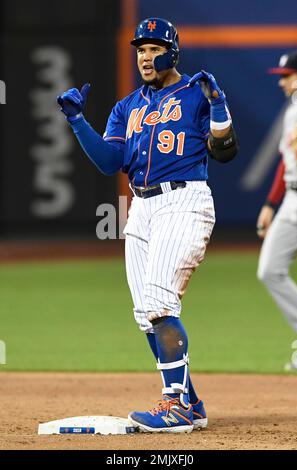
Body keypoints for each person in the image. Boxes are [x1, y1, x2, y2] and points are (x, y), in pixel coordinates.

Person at [57, 17, 238, 433]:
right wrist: (78, 121)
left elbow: (225, 152)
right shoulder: (127, 107)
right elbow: (109, 162)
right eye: (140, 49)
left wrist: (219, 106)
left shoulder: (195, 93)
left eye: (154, 48)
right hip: (140, 208)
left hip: (183, 200)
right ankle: (189, 402)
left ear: (173, 51)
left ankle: (173, 406)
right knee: (146, 314)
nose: (145, 56)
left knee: (159, 302)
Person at [257, 50, 297, 369]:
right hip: (292, 200)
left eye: (287, 76)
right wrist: (271, 204)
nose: (282, 82)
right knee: (269, 269)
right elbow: (287, 160)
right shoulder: (291, 113)